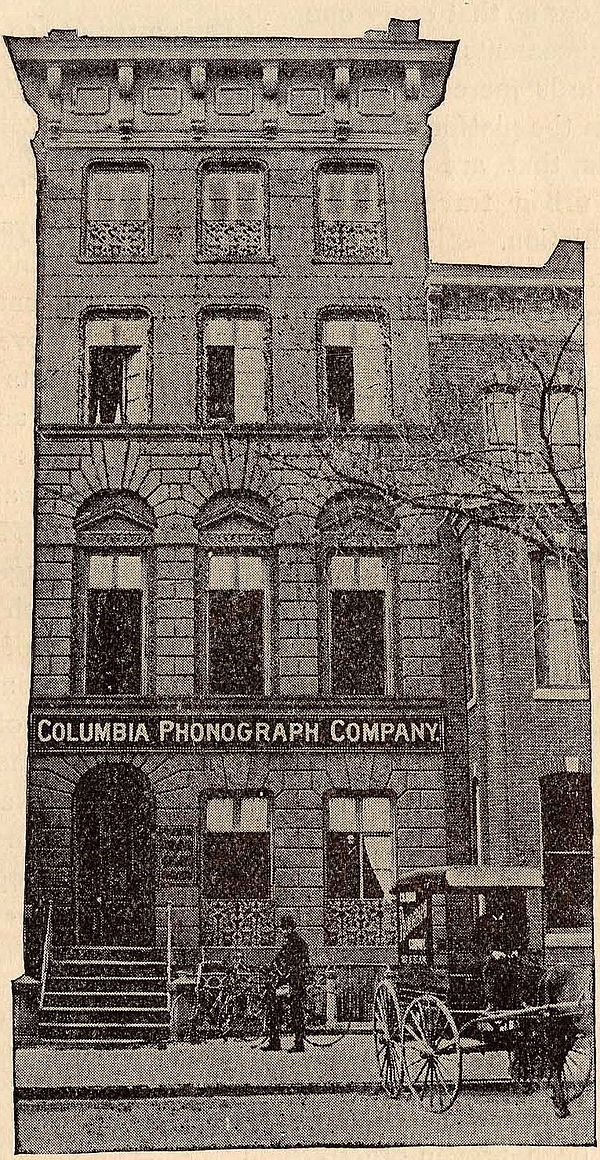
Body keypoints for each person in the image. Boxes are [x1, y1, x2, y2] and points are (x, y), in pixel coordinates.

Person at [262, 914, 310, 1052]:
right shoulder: (288, 943)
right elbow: (279, 958)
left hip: (295, 983)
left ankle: (298, 1043)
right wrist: (270, 968)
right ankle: (275, 1041)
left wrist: (291, 974)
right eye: (282, 929)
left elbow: (302, 963)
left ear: (289, 928)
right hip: (287, 983)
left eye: (284, 928)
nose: (283, 931)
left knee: (296, 1012)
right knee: (274, 1006)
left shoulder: (298, 943)